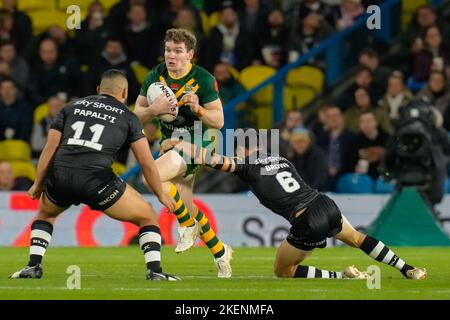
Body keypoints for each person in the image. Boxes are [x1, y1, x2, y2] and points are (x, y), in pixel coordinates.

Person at [160, 132, 427, 280]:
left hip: (307, 220)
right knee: (357, 238)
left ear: (245, 151)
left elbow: (211, 159)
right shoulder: (282, 159)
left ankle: (342, 277)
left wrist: (179, 143)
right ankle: (408, 269)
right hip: (324, 203)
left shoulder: (248, 167)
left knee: (282, 271)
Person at [10, 69, 179, 281]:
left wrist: (38, 183)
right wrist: (161, 195)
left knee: (45, 215)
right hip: (97, 181)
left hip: (61, 177)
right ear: (125, 93)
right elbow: (146, 162)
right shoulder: (128, 117)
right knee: (147, 217)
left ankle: (33, 266)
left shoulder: (70, 107)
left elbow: (49, 148)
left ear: (99, 89)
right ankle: (154, 271)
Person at [133, 28, 232, 278]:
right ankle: (221, 253)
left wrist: (198, 110)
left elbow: (219, 121)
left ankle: (187, 225)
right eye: (168, 50)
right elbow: (135, 115)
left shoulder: (204, 79)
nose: (171, 55)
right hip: (171, 144)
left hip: (198, 143)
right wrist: (154, 109)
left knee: (150, 176)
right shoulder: (155, 76)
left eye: (178, 51)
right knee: (186, 204)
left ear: (190, 54)